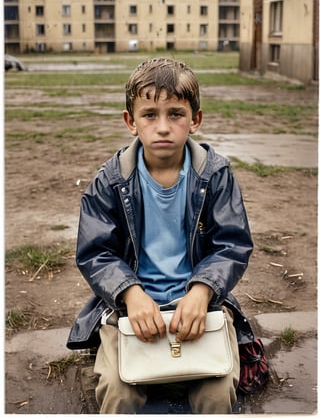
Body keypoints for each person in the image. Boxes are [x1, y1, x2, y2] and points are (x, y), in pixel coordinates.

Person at [68, 57, 254, 414]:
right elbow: (95, 253)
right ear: (131, 122)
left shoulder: (215, 176)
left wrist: (202, 291)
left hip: (203, 305)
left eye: (176, 114)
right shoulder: (109, 181)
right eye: (150, 114)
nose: (163, 127)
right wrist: (130, 294)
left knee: (217, 392)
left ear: (195, 120)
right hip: (129, 309)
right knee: (119, 392)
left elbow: (233, 244)